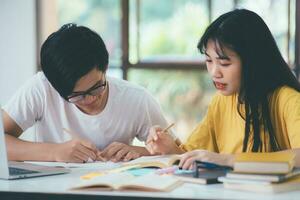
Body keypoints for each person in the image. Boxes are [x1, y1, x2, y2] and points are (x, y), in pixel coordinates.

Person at [146, 9, 300, 170]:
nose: (214, 72)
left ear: (253, 61)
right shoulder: (221, 101)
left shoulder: (288, 100)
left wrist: (228, 160)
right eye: (208, 60)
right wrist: (169, 148)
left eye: (224, 63)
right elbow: (193, 155)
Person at [2, 23, 168, 163]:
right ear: (56, 87)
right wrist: (54, 152)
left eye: (97, 87)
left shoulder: (136, 99)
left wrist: (140, 153)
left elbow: (178, 154)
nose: (90, 99)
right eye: (77, 95)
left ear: (106, 68)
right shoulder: (41, 88)